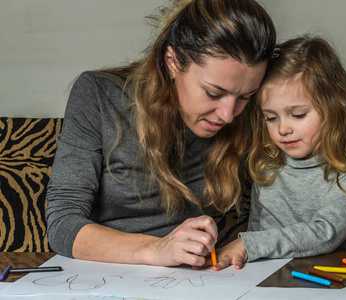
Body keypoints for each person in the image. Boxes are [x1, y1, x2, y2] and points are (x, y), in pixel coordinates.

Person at [46, 0, 276, 268]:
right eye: (213, 93)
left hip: (211, 277)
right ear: (173, 62)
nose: (228, 114)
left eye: (245, 97)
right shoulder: (99, 95)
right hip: (109, 275)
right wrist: (156, 250)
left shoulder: (257, 112)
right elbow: (62, 224)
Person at [213, 34, 346, 271]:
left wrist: (249, 245)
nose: (284, 129)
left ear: (334, 108)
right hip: (268, 279)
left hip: (335, 281)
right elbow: (257, 230)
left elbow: (324, 234)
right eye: (271, 117)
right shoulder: (267, 166)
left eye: (298, 115)